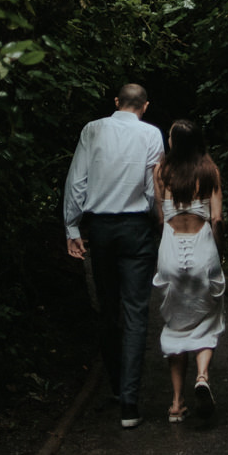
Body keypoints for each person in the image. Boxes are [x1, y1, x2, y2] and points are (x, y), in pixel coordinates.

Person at [63, 83, 164, 428]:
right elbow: (153, 190)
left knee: (108, 308)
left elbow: (77, 181)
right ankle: (130, 405)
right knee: (137, 312)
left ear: (116, 102)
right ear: (145, 106)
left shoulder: (92, 130)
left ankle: (119, 387)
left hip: (101, 229)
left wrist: (72, 228)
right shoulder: (152, 135)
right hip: (136, 228)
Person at [152, 118, 225, 421]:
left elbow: (160, 217)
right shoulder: (210, 171)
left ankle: (176, 404)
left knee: (175, 323)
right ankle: (203, 376)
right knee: (207, 317)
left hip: (170, 252)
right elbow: (217, 219)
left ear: (175, 143)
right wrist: (218, 254)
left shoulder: (161, 171)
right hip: (202, 250)